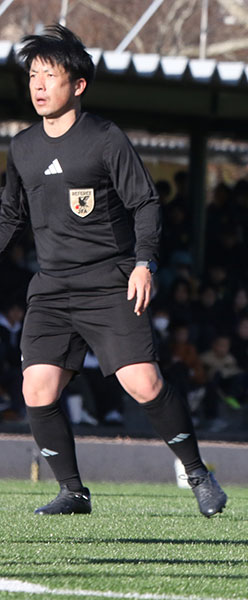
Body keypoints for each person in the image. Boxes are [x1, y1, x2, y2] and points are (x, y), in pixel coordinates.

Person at [0, 25, 226, 516]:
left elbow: (145, 203)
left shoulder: (105, 138)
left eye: (50, 76)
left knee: (143, 383)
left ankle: (197, 473)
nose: (38, 86)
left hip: (109, 281)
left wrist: (143, 264)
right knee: (36, 389)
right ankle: (72, 492)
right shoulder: (21, 148)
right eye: (33, 77)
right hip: (53, 286)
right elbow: (10, 215)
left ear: (77, 85)